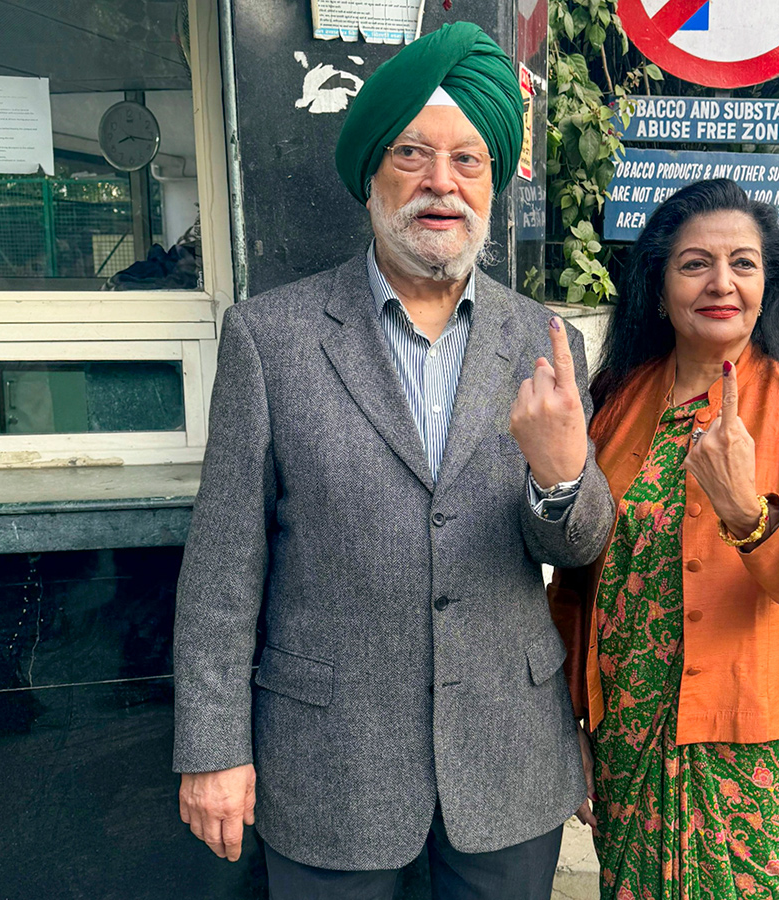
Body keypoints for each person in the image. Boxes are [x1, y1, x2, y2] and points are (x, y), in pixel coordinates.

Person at [171, 23, 616, 900]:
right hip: (330, 767)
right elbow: (224, 565)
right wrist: (212, 749)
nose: (441, 183)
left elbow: (581, 547)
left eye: (468, 160)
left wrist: (564, 476)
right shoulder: (273, 339)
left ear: (492, 186)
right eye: (412, 153)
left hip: (504, 765)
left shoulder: (545, 341)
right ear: (371, 172)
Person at [549, 180, 779, 900]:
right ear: (659, 286)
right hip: (626, 728)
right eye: (695, 263)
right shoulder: (614, 400)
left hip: (750, 736)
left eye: (743, 264)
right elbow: (576, 583)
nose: (722, 282)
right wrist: (570, 728)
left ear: (765, 284)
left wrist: (747, 513)